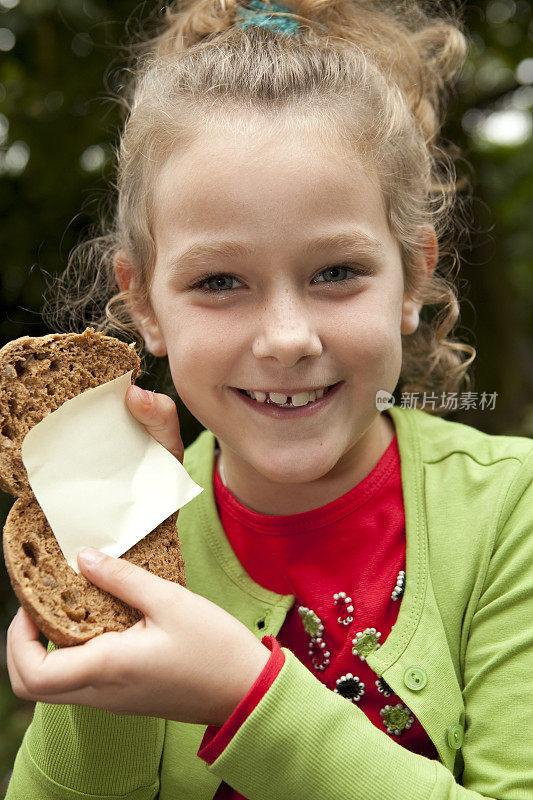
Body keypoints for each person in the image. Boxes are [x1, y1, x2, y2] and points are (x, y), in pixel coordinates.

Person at [5, 0, 533, 798]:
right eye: (220, 282)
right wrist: (97, 630)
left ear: (413, 278)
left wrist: (243, 698)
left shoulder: (508, 512)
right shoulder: (123, 537)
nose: (286, 338)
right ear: (144, 303)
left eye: (334, 273)